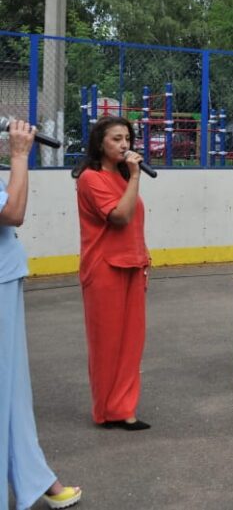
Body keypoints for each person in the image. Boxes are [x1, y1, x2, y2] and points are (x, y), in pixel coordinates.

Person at [2, 119, 83, 510]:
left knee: (13, 390)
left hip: (5, 274)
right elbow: (12, 211)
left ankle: (37, 478)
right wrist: (19, 155)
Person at [73, 116, 151, 430]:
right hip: (104, 268)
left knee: (132, 343)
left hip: (134, 265)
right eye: (116, 139)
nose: (124, 145)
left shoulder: (122, 177)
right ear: (100, 144)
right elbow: (119, 217)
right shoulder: (91, 179)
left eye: (127, 139)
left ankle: (125, 408)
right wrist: (135, 177)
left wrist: (144, 257)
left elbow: (134, 223)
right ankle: (106, 410)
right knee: (106, 343)